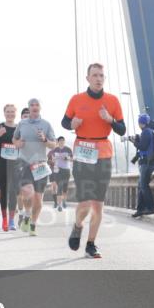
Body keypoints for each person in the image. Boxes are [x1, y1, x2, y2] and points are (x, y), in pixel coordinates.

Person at [62, 63, 126, 258]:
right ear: (88, 78)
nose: (99, 78)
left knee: (98, 203)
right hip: (82, 152)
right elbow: (65, 122)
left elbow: (122, 129)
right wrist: (72, 123)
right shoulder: (76, 99)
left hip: (104, 153)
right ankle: (78, 225)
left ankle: (91, 243)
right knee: (85, 202)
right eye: (95, 75)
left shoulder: (113, 101)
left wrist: (110, 120)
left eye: (102, 76)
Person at [12, 99, 57, 236]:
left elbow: (53, 145)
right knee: (27, 192)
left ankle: (33, 224)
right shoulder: (22, 124)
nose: (34, 107)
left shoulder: (46, 124)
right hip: (25, 163)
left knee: (38, 198)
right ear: (28, 108)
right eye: (32, 105)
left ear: (40, 108)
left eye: (37, 105)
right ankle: (26, 213)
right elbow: (14, 139)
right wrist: (18, 143)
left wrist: (44, 139)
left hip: (41, 165)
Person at [0, 104, 21, 231]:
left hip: (16, 165)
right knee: (4, 191)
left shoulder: (20, 128)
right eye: (8, 112)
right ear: (4, 113)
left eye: (12, 112)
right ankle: (4, 219)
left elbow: (25, 146)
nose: (10, 114)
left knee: (13, 192)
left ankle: (12, 220)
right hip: (1, 164)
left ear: (15, 113)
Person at [129, 113, 154, 219]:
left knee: (143, 186)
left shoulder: (146, 132)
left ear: (141, 123)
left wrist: (134, 142)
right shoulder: (149, 131)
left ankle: (151, 207)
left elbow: (143, 147)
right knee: (141, 186)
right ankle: (140, 209)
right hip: (147, 162)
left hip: (147, 163)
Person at [48, 136, 73, 211]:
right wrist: (52, 161)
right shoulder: (54, 150)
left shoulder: (68, 149)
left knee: (65, 188)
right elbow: (51, 159)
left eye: (63, 140)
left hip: (66, 170)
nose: (62, 142)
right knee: (59, 186)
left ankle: (64, 201)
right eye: (60, 141)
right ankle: (59, 205)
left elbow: (72, 159)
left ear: (64, 142)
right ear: (58, 142)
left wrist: (67, 158)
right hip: (57, 170)